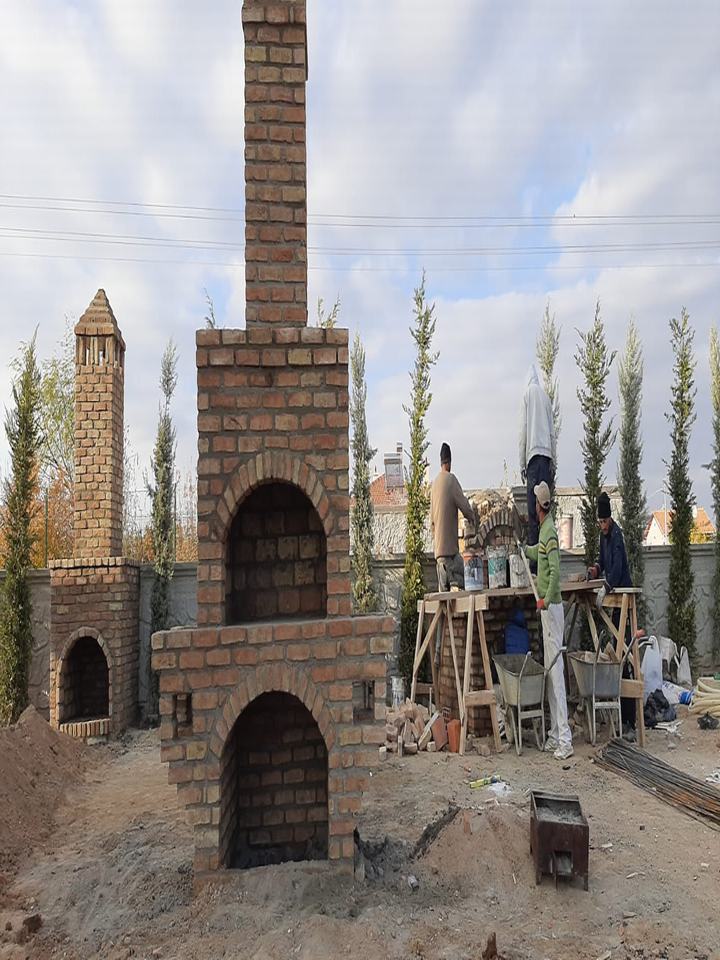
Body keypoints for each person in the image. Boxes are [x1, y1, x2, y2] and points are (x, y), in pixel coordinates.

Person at [524, 480, 573, 760]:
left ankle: (565, 739)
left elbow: (554, 571)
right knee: (551, 672)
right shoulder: (544, 531)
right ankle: (555, 734)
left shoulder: (551, 531)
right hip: (547, 609)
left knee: (556, 673)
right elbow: (540, 554)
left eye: (534, 502)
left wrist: (545, 599)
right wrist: (525, 550)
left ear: (539, 506)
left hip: (551, 608)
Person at [588, 490, 635, 733]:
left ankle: (629, 719)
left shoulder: (616, 536)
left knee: (624, 655)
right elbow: (604, 562)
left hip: (624, 596)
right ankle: (622, 717)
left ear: (610, 519)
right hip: (615, 599)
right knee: (617, 653)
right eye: (600, 522)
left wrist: (605, 587)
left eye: (604, 522)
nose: (602, 526)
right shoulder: (603, 536)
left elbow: (616, 569)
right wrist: (595, 570)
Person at [519, 364, 557, 551]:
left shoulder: (527, 395)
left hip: (533, 459)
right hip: (547, 457)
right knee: (545, 509)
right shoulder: (546, 398)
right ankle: (548, 551)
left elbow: (523, 431)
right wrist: (554, 461)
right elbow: (552, 433)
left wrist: (521, 463)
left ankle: (535, 560)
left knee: (534, 511)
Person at [430, 442, 475, 591]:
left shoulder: (434, 485)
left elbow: (432, 522)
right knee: (470, 579)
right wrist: (473, 518)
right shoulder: (451, 480)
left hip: (439, 557)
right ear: (450, 462)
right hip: (451, 557)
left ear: (440, 461)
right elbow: (465, 507)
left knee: (443, 598)